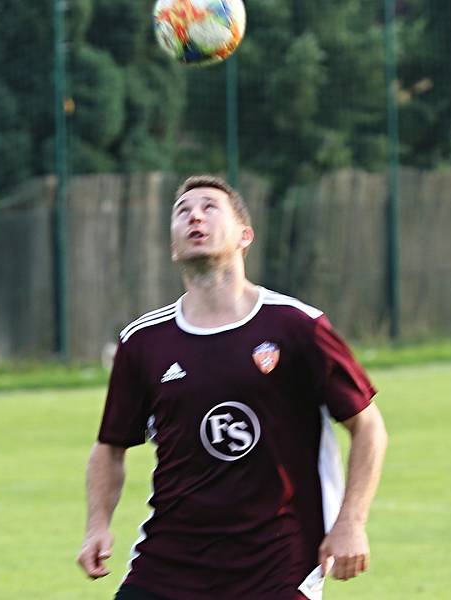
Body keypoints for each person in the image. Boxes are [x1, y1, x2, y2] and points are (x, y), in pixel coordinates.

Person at [77, 175, 388, 600]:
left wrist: (351, 521)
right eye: (182, 211)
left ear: (245, 235)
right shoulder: (143, 341)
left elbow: (368, 426)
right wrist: (97, 525)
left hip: (278, 563)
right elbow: (110, 446)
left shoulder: (298, 327)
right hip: (170, 563)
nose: (194, 217)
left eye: (209, 207)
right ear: (173, 245)